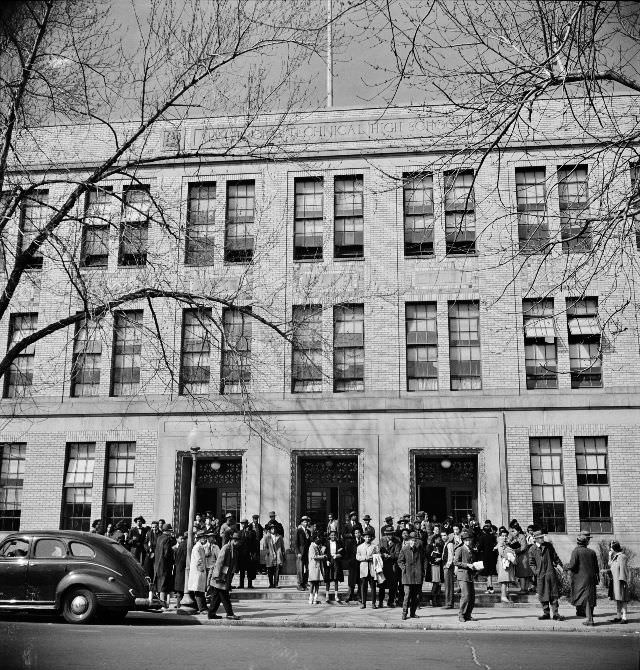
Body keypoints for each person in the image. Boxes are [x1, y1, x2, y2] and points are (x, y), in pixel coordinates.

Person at [565, 532, 600, 626]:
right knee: (591, 598)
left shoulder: (576, 551)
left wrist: (566, 567)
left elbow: (572, 565)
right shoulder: (592, 552)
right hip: (591, 578)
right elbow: (596, 567)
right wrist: (597, 577)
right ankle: (589, 616)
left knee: (586, 598)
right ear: (586, 543)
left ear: (578, 542)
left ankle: (590, 620)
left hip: (581, 579)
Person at [528, 529, 564, 620]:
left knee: (553, 594)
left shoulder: (548, 546)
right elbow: (531, 563)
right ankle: (546, 613)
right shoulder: (532, 549)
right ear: (535, 539)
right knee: (543, 594)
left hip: (550, 573)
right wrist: (536, 572)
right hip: (540, 575)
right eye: (540, 538)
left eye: (542, 537)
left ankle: (555, 613)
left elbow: (555, 557)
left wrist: (560, 565)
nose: (542, 539)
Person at [207, 531, 241, 620]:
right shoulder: (226, 548)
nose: (238, 543)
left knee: (216, 597)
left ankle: (211, 614)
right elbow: (219, 562)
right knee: (224, 596)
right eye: (236, 540)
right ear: (233, 540)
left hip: (224, 577)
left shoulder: (233, 549)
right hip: (220, 577)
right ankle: (229, 613)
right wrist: (217, 576)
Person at [397, 531, 425, 620]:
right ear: (408, 541)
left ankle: (413, 613)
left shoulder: (420, 550)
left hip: (417, 576)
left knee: (416, 596)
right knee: (407, 595)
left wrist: (423, 571)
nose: (413, 542)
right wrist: (404, 568)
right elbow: (400, 561)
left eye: (415, 540)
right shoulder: (404, 549)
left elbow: (424, 560)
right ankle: (404, 613)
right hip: (407, 576)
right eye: (411, 540)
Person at [454, 529, 477, 622]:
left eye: (469, 539)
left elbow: (472, 561)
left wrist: (476, 566)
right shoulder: (460, 549)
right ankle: (461, 614)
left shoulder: (471, 549)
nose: (468, 541)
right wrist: (467, 565)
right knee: (466, 595)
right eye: (466, 540)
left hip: (470, 575)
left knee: (472, 596)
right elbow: (455, 562)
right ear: (463, 540)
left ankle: (468, 614)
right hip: (462, 575)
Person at [356, 530, 380, 608]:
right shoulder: (359, 547)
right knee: (363, 587)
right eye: (366, 537)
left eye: (369, 537)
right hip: (363, 569)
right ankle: (363, 603)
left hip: (372, 568)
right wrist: (366, 558)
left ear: (371, 538)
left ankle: (373, 603)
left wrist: (373, 557)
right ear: (363, 537)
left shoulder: (375, 546)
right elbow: (358, 557)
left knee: (373, 587)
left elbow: (378, 555)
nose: (368, 538)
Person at [608, 541, 630, 624]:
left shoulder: (622, 557)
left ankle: (624, 618)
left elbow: (623, 569)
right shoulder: (615, 556)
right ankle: (618, 616)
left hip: (620, 582)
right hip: (615, 581)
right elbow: (610, 565)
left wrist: (623, 581)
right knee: (618, 599)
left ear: (614, 548)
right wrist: (609, 556)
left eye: (611, 547)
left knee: (623, 599)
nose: (610, 549)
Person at [154, 523, 175, 609]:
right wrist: (173, 551)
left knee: (160, 583)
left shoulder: (159, 538)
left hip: (158, 564)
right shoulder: (167, 539)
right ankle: (163, 605)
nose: (171, 533)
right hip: (165, 564)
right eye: (170, 531)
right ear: (167, 531)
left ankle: (161, 603)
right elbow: (167, 553)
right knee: (164, 585)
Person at [187, 530, 208, 613]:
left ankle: (199, 607)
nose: (205, 539)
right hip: (198, 572)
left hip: (199, 572)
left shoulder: (200, 546)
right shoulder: (197, 547)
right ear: (199, 538)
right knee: (198, 590)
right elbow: (199, 560)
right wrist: (202, 569)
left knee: (199, 590)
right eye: (203, 537)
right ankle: (202, 608)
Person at [509, 519, 531, 593]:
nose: (512, 533)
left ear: (518, 531)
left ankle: (523, 589)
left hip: (523, 557)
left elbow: (523, 547)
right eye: (512, 531)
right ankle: (525, 589)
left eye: (514, 531)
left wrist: (514, 551)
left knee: (523, 573)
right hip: (520, 557)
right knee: (523, 574)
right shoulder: (514, 537)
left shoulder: (521, 536)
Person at [378, 529, 400, 608]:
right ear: (385, 534)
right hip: (383, 566)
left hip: (392, 565)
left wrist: (390, 556)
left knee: (393, 585)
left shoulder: (397, 541)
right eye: (388, 534)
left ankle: (390, 602)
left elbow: (398, 554)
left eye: (391, 534)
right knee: (382, 584)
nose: (389, 536)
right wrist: (383, 555)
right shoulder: (382, 540)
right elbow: (379, 551)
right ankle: (380, 601)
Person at [495, 526, 516, 603]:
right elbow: (501, 553)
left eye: (505, 536)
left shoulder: (506, 543)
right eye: (502, 536)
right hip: (503, 563)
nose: (504, 537)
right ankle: (503, 596)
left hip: (507, 563)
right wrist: (510, 557)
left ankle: (505, 594)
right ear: (499, 536)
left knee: (506, 580)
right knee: (504, 580)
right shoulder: (500, 543)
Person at [237, 519, 258, 589]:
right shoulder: (239, 532)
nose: (243, 525)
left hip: (249, 553)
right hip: (242, 554)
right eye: (242, 524)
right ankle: (241, 585)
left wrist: (254, 553)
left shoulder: (252, 532)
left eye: (244, 523)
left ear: (247, 524)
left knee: (250, 570)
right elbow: (238, 543)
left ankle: (249, 584)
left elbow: (254, 543)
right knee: (242, 571)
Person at [324, 529, 344, 603]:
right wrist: (326, 560)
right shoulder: (326, 543)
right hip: (329, 561)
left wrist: (337, 555)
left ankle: (336, 596)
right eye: (331, 535)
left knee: (336, 578)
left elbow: (342, 552)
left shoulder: (338, 543)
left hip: (336, 561)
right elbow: (324, 553)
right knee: (328, 579)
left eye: (334, 535)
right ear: (329, 536)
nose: (333, 536)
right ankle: (327, 595)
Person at [477, 521, 497, 593]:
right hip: (492, 556)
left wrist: (476, 550)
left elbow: (479, 547)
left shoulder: (482, 537)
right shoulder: (493, 537)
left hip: (485, 556)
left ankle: (490, 588)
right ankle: (489, 587)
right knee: (490, 573)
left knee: (487, 572)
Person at [344, 527, 363, 602]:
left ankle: (359, 596)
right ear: (354, 534)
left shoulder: (363, 541)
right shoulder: (351, 542)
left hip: (361, 564)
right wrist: (349, 561)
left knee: (360, 581)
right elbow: (347, 553)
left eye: (358, 533)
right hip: (353, 564)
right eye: (355, 533)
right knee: (351, 581)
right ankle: (350, 595)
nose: (357, 534)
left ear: (360, 533)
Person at [426, 527, 444, 606]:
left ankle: (437, 600)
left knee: (439, 584)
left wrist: (440, 558)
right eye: (438, 539)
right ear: (434, 539)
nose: (439, 541)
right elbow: (427, 555)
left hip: (439, 566)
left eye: (440, 540)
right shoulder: (430, 546)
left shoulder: (441, 547)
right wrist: (433, 560)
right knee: (436, 583)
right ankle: (432, 599)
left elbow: (443, 555)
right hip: (433, 566)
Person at [308, 533, 327, 604]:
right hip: (313, 567)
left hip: (318, 567)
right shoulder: (312, 546)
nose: (318, 539)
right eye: (317, 538)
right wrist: (322, 557)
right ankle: (310, 598)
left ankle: (315, 598)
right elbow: (314, 556)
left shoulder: (317, 546)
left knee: (317, 583)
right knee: (312, 583)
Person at [442, 529, 458, 609]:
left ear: (448, 535)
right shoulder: (446, 544)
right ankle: (448, 603)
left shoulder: (450, 544)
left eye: (444, 535)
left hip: (448, 567)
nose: (443, 537)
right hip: (446, 566)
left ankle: (449, 603)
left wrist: (447, 565)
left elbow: (451, 556)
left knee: (449, 586)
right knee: (447, 585)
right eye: (442, 536)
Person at [295, 515, 312, 591]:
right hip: (301, 552)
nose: (306, 523)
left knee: (307, 569)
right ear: (301, 523)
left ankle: (305, 583)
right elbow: (296, 543)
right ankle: (299, 584)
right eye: (305, 522)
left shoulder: (308, 531)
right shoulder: (298, 531)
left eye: (307, 522)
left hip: (307, 552)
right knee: (300, 569)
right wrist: (298, 552)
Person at [173, 533, 187, 608]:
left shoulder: (181, 546)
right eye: (181, 539)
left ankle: (179, 604)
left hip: (179, 569)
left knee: (179, 589)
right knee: (180, 589)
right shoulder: (184, 545)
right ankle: (179, 604)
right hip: (181, 569)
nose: (182, 540)